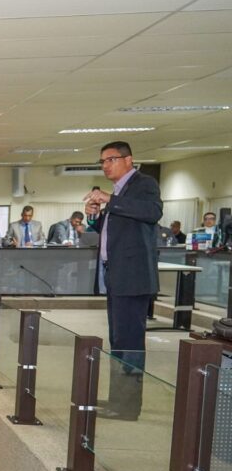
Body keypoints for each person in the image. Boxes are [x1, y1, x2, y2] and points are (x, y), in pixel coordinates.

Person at [84, 141, 162, 421]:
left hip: (133, 277)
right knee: (118, 340)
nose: (105, 165)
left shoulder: (144, 184)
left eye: (111, 160)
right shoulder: (118, 192)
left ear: (128, 160)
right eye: (102, 161)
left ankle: (127, 406)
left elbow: (152, 213)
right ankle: (118, 397)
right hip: (115, 275)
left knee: (129, 341)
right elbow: (112, 230)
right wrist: (94, 218)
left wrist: (109, 200)